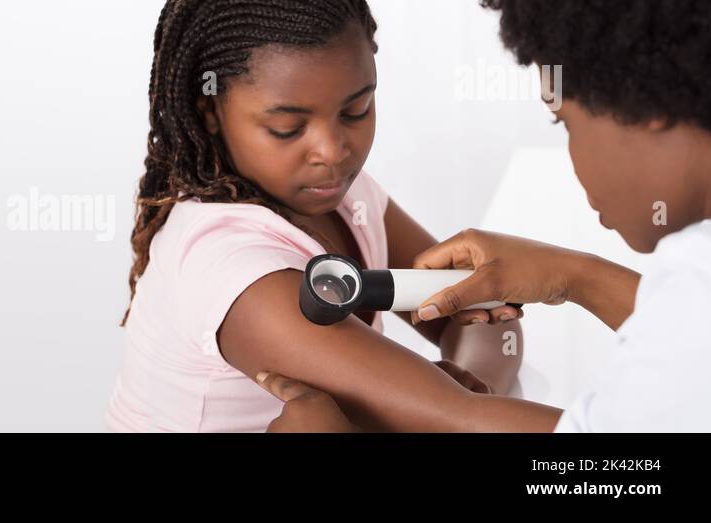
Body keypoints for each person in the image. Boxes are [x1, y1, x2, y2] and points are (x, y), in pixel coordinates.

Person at [105, 0, 559, 433]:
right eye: (288, 128)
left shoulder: (342, 195)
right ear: (210, 111)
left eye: (355, 110)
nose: (333, 150)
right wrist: (450, 411)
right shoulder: (233, 268)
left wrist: (463, 390)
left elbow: (485, 312)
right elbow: (465, 420)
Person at [263, 0, 711, 432]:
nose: (331, 151)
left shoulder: (692, 283)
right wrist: (575, 277)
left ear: (647, 105)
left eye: (565, 123)